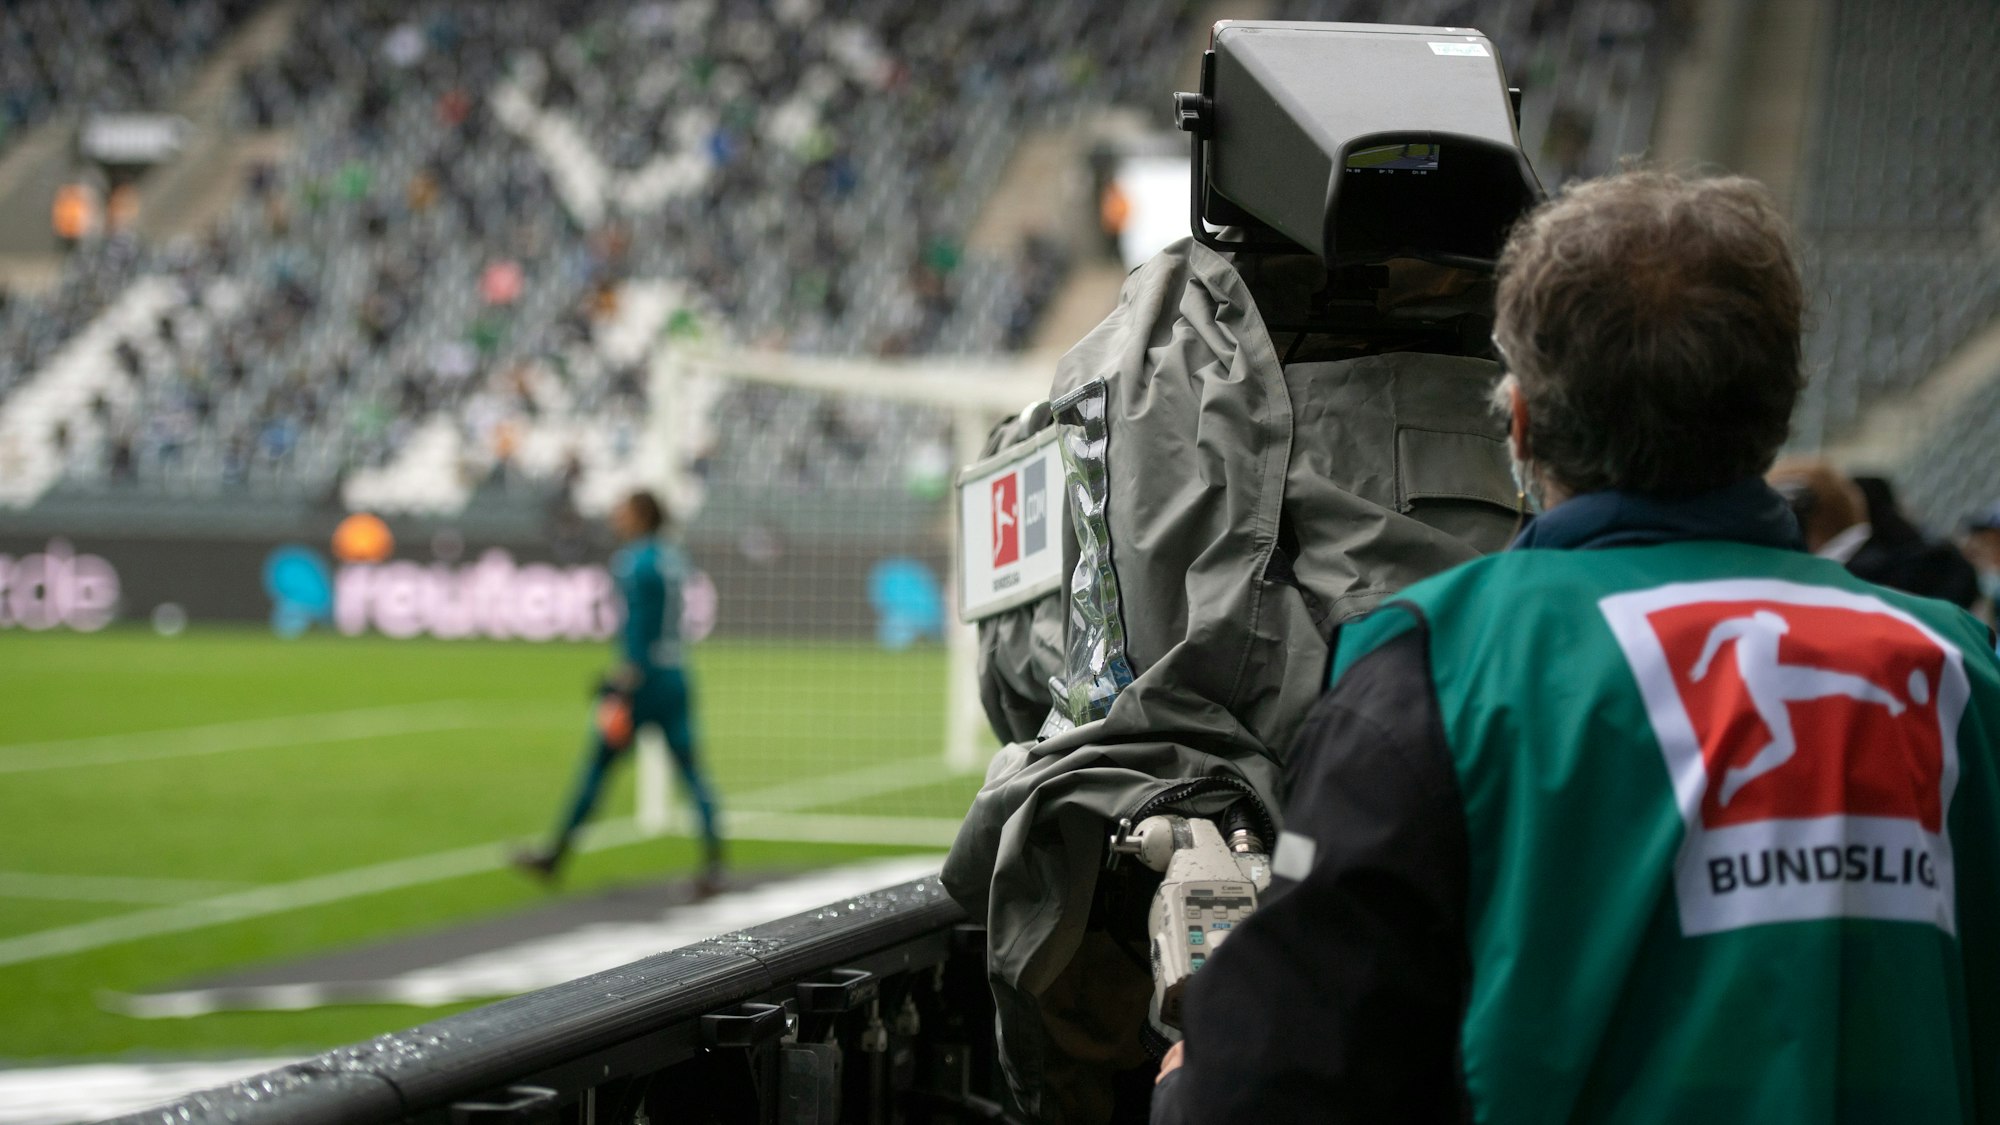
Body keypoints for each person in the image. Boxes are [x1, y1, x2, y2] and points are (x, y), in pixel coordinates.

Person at [1153, 170, 2000, 1123]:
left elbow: (1282, 1087)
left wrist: (1190, 1081)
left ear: (1520, 424)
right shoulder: (1962, 667)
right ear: (1774, 416)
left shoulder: (1447, 665)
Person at [514, 490, 723, 892]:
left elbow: (637, 625)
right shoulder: (675, 558)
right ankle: (715, 864)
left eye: (622, 511)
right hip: (676, 674)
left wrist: (624, 678)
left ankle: (555, 855)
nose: (615, 517)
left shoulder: (633, 561)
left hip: (641, 683)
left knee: (598, 765)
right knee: (692, 771)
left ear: (641, 516)